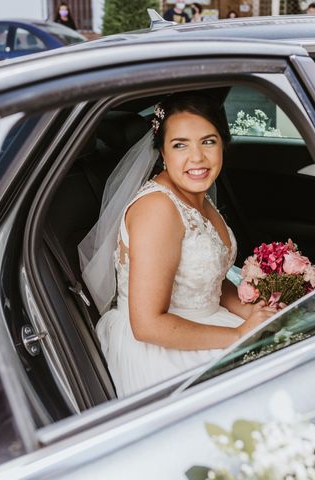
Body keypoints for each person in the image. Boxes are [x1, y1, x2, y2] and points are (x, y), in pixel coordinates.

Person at [78, 93, 275, 396]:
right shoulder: (157, 209)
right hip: (162, 347)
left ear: (223, 144)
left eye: (208, 142)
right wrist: (237, 334)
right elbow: (148, 325)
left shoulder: (197, 196)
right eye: (180, 144)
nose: (197, 157)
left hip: (205, 323)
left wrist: (252, 311)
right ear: (162, 152)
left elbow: (208, 282)